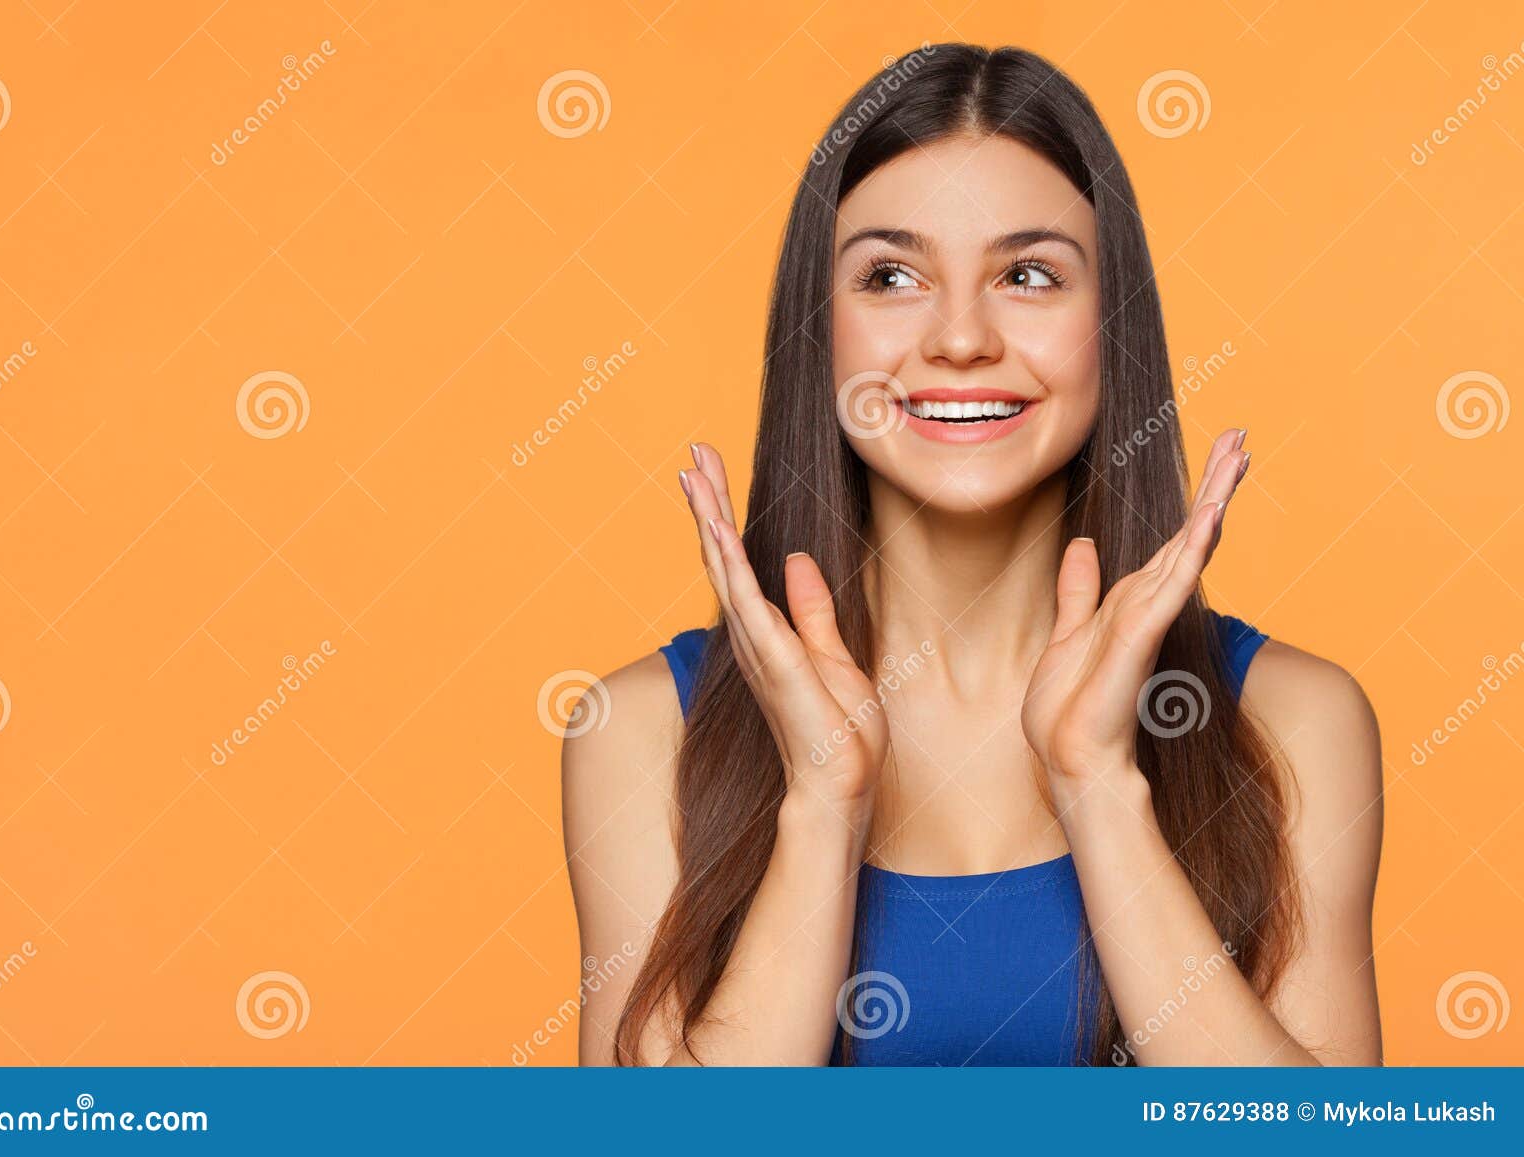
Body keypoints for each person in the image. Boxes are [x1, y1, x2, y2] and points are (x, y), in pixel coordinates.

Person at [562, 43, 1383, 1067]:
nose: (959, 338)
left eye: (1028, 274)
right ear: (820, 332)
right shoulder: (643, 732)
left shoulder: (1293, 718)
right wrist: (822, 801)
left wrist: (1097, 784)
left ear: (1110, 325)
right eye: (892, 275)